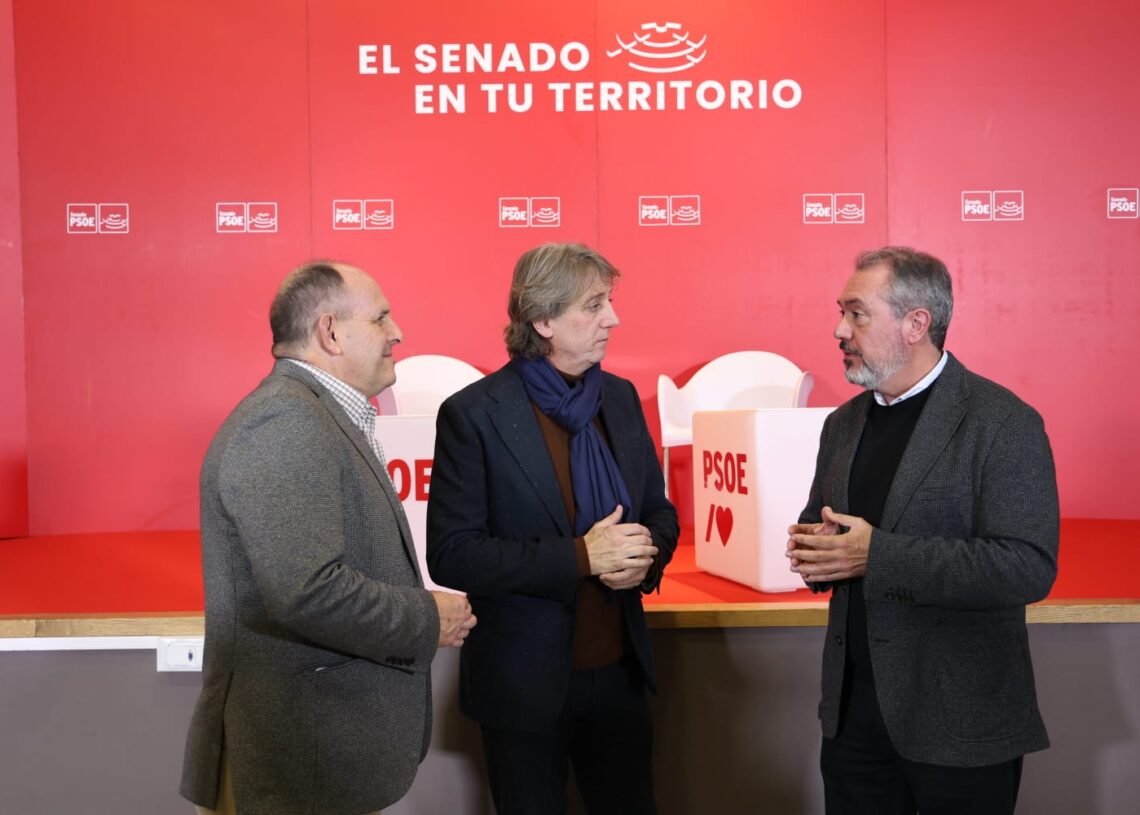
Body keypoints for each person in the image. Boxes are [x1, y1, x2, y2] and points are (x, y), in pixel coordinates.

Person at [180, 261, 476, 815]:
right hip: (294, 766)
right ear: (330, 333)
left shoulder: (310, 415)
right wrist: (427, 618)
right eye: (381, 318)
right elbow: (308, 591)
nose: (398, 333)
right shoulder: (285, 421)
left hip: (315, 764)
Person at [787, 246, 1059, 815]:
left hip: (961, 726)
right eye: (841, 311)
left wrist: (874, 556)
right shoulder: (842, 423)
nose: (840, 329)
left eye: (857, 313)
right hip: (853, 722)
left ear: (916, 323)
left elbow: (1026, 566)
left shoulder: (1003, 422)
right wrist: (816, 553)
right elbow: (827, 526)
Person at [426, 243, 678, 815]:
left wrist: (644, 556)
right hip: (522, 686)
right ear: (543, 320)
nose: (611, 319)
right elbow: (454, 554)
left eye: (608, 302)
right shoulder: (474, 413)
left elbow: (658, 514)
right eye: (593, 306)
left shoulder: (618, 398)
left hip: (619, 677)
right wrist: (582, 557)